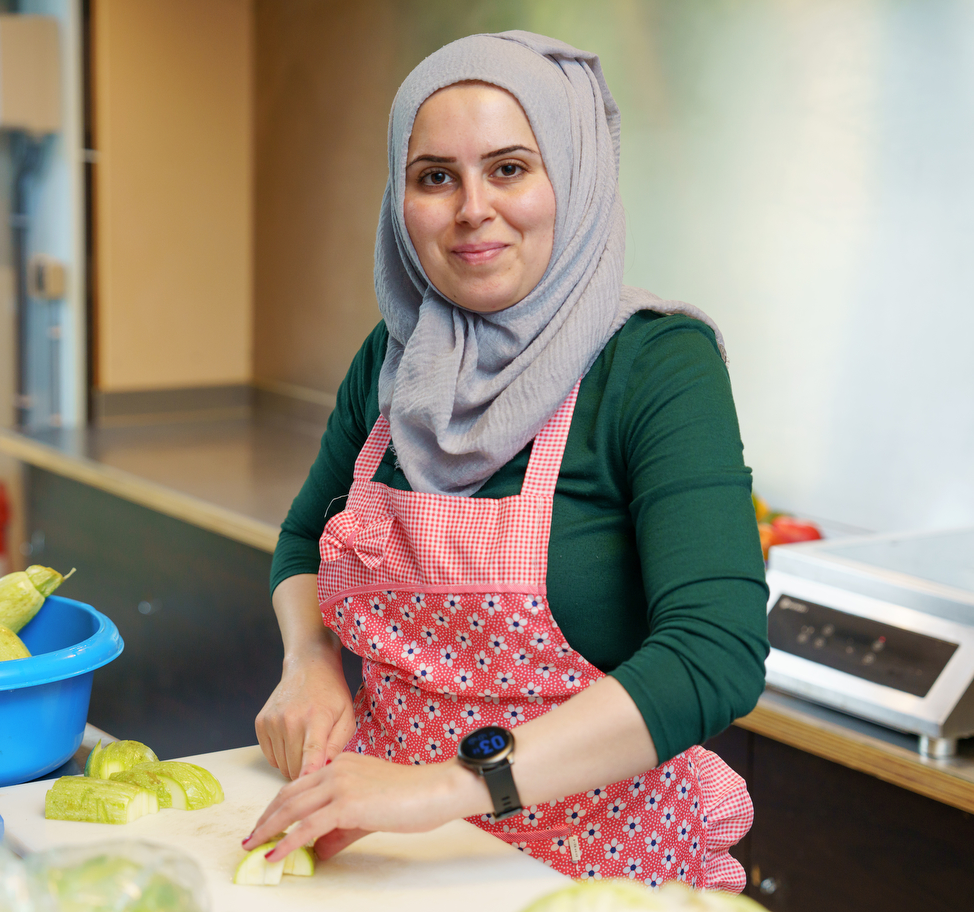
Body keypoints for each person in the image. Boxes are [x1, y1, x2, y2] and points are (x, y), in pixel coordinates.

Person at [244, 30, 767, 892]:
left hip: (595, 877)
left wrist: (447, 788)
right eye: (435, 176)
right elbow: (306, 536)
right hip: (391, 862)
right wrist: (308, 662)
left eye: (511, 168)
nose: (471, 208)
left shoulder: (657, 364)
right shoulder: (394, 357)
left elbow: (716, 652)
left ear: (573, 178)